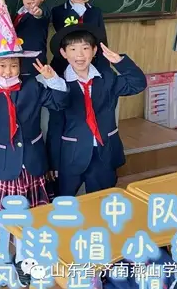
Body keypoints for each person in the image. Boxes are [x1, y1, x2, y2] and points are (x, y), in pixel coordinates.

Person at [0, 0, 69, 286]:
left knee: (30, 217)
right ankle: (2, 258)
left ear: (20, 64)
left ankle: (25, 259)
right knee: (3, 218)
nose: (8, 69)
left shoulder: (31, 86)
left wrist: (52, 79)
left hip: (32, 163)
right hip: (3, 165)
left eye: (13, 64)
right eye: (2, 65)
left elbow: (60, 103)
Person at [48, 23, 146, 198]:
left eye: (85, 48)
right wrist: (54, 163)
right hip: (71, 155)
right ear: (63, 53)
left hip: (104, 152)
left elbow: (138, 84)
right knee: (64, 201)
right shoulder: (59, 84)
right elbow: (55, 126)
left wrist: (121, 62)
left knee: (102, 200)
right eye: (73, 49)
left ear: (94, 51)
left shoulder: (107, 78)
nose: (79, 55)